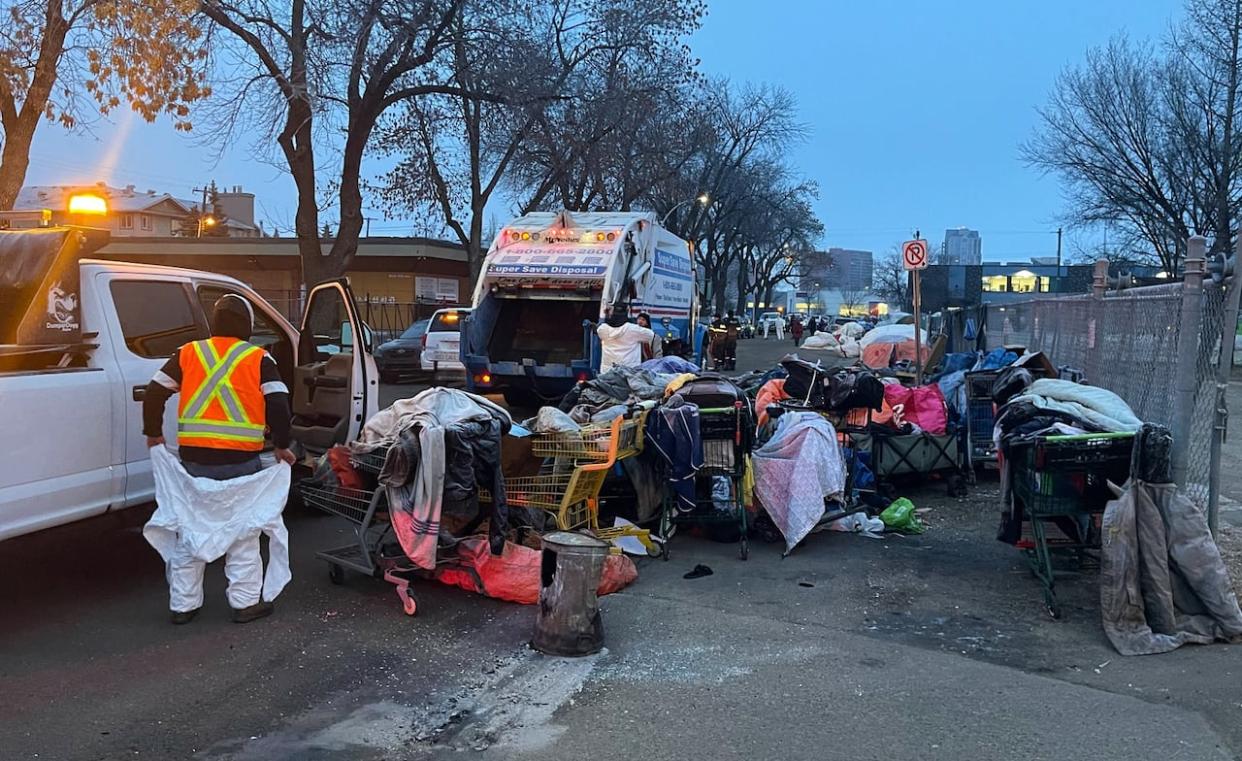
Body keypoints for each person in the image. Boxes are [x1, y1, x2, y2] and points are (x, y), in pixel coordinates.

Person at [143, 294, 296, 625]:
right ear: (247, 325)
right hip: (241, 461)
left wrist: (153, 433)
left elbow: (155, 392)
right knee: (242, 532)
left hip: (194, 462)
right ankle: (244, 604)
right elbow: (279, 405)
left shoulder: (189, 353)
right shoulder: (258, 358)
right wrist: (282, 445)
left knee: (191, 528)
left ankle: (183, 606)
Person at [596, 304, 656, 372]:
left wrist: (607, 317)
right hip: (628, 373)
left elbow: (601, 328)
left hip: (607, 371)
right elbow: (651, 335)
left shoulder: (603, 329)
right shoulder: (633, 329)